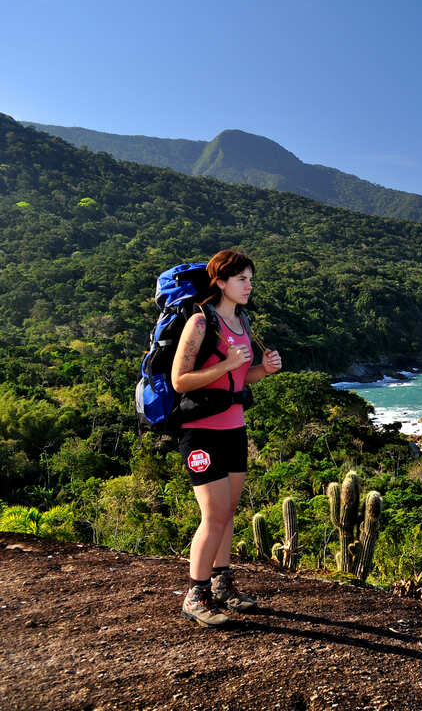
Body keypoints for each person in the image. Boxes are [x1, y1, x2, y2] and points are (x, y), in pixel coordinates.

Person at [171, 249, 282, 627]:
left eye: (251, 279)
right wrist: (228, 363)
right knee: (213, 515)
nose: (249, 286)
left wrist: (261, 370)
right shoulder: (201, 322)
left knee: (228, 513)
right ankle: (195, 595)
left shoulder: (242, 321)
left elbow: (238, 379)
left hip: (235, 427)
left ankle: (222, 583)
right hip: (201, 431)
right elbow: (180, 381)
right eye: (241, 280)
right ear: (220, 281)